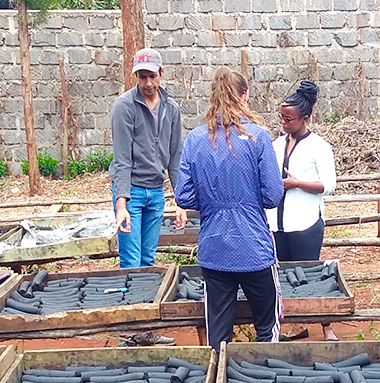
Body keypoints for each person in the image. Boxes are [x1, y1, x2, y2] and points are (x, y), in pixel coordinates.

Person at [174, 66, 284, 351]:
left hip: (214, 248)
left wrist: (213, 204)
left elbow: (184, 196)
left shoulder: (196, 140)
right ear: (245, 96)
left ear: (212, 98)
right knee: (267, 328)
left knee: (218, 336)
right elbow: (273, 195)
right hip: (254, 248)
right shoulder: (258, 138)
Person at [109, 48, 186, 346]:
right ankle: (131, 331)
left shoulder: (171, 108)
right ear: (136, 76)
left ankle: (146, 329)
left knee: (148, 260)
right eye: (142, 76)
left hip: (156, 191)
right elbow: (121, 159)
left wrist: (180, 200)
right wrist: (121, 205)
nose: (148, 82)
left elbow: (176, 157)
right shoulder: (124, 107)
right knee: (130, 263)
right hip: (131, 192)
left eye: (152, 76)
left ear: (161, 74)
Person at [266, 80, 339, 342]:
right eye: (282, 118)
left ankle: (325, 325)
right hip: (277, 224)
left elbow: (328, 185)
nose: (284, 123)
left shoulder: (318, 147)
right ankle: (295, 325)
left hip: (306, 223)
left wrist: (296, 184)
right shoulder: (275, 144)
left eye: (289, 119)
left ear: (305, 118)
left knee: (311, 274)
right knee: (283, 275)